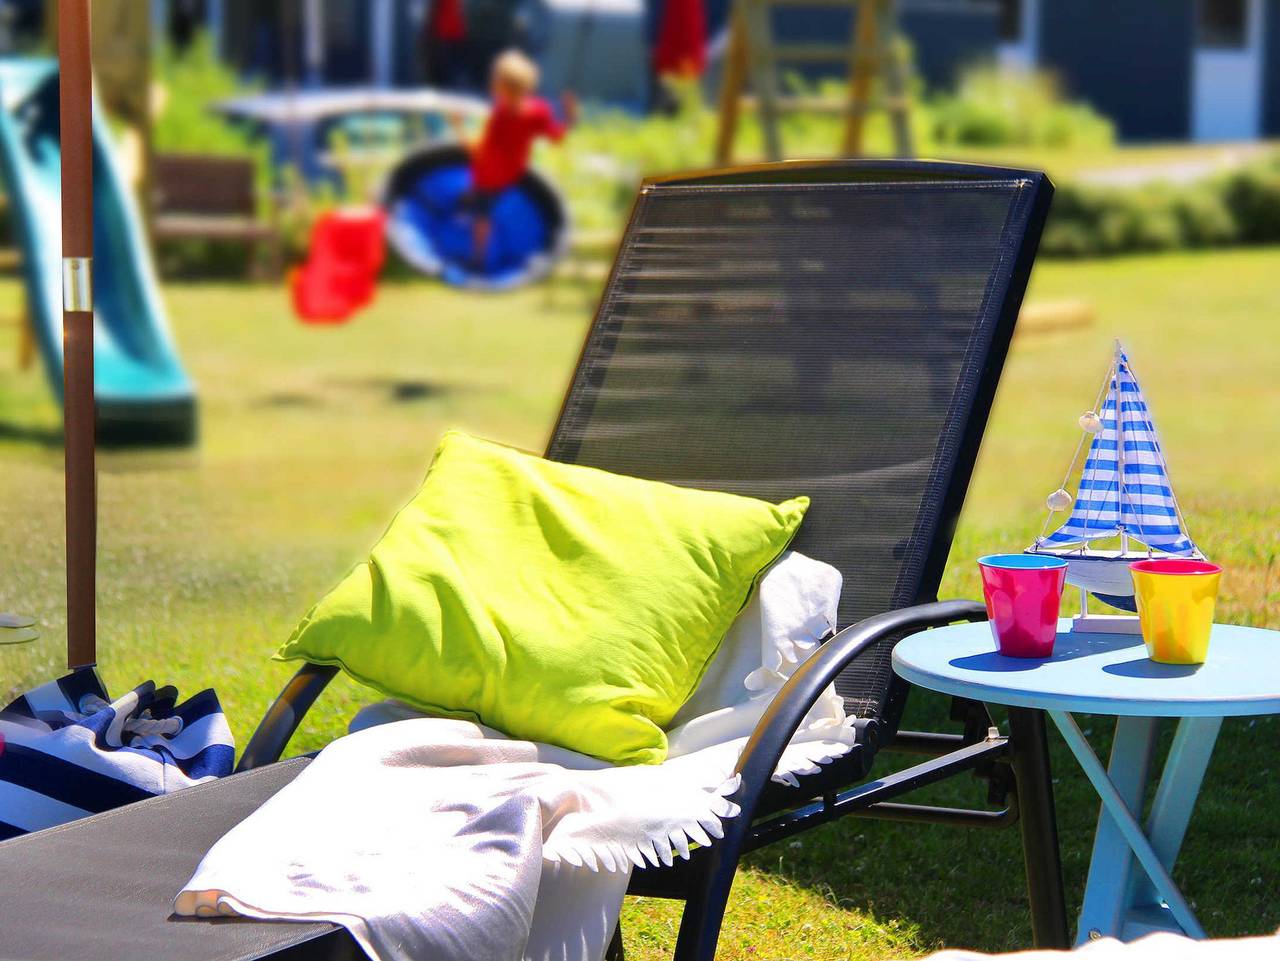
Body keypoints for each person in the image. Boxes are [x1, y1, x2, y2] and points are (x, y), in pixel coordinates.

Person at [457, 50, 576, 269]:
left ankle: (477, 259)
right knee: (478, 200)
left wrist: (459, 128)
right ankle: (467, 205)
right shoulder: (538, 111)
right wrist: (568, 116)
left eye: (495, 80)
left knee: (482, 215)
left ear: (502, 86)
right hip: (515, 172)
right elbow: (556, 137)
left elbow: (482, 150)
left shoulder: (501, 115)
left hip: (490, 176)